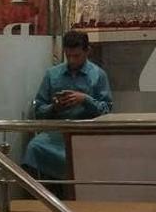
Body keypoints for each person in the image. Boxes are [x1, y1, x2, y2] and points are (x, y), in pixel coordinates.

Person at [22, 30, 112, 194]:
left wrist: (85, 100)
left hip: (86, 132)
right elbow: (38, 109)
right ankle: (44, 197)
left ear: (87, 51)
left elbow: (107, 110)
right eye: (68, 56)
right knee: (34, 147)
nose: (72, 60)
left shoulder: (98, 75)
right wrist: (54, 107)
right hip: (57, 133)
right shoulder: (52, 74)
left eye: (76, 56)